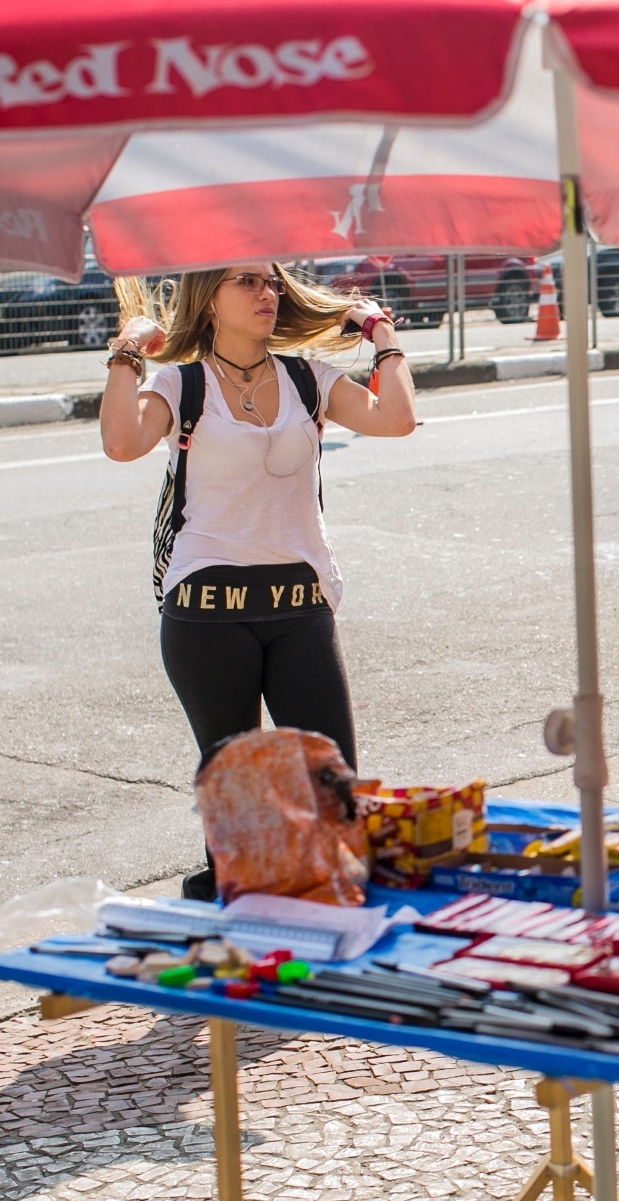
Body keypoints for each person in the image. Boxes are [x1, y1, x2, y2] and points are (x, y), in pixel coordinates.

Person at [99, 263, 417, 900]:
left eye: (271, 282)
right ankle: (242, 941)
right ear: (209, 300)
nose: (266, 293)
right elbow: (121, 442)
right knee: (237, 804)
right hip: (207, 612)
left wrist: (381, 332)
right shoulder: (181, 383)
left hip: (300, 603)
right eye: (246, 282)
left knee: (334, 789)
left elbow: (396, 419)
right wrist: (128, 350)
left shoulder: (308, 377)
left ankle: (327, 932)